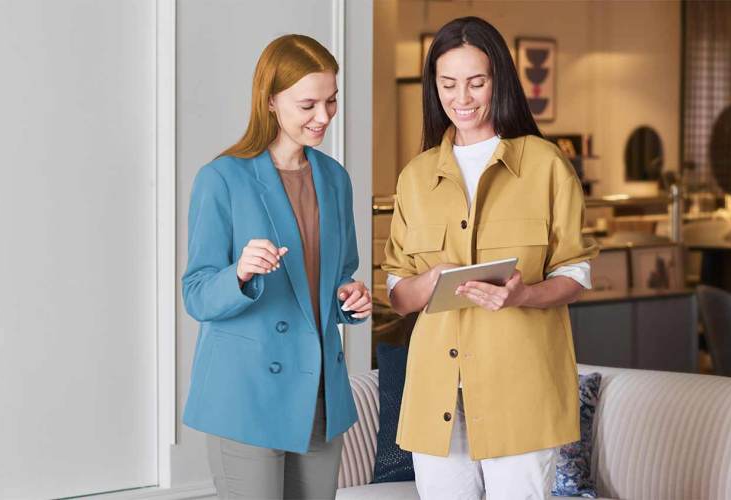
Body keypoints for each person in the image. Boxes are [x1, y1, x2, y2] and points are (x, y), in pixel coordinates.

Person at [381, 16, 598, 500]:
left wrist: (525, 294)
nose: (462, 98)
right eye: (448, 84)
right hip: (436, 390)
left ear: (498, 81)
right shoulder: (415, 178)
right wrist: (429, 281)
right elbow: (397, 294)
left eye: (476, 82)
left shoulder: (546, 166)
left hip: (520, 389)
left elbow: (576, 272)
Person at [181, 34, 371, 500]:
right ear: (270, 101)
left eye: (331, 101)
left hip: (318, 392)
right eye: (308, 104)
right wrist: (240, 273)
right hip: (246, 395)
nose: (323, 117)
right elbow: (197, 293)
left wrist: (351, 297)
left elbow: (338, 275)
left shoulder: (335, 179)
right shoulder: (222, 178)